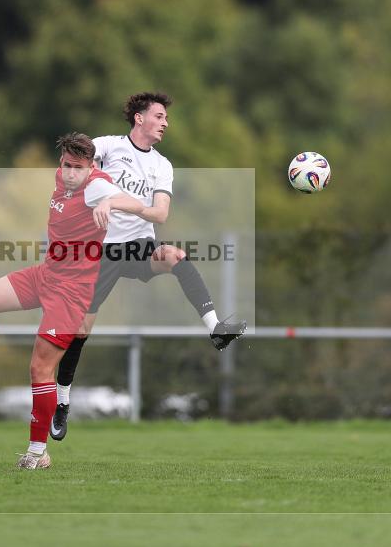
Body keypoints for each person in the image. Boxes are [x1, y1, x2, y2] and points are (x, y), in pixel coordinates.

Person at [0, 132, 157, 470]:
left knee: (40, 368)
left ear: (91, 166)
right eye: (66, 165)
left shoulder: (97, 185)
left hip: (71, 292)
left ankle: (38, 452)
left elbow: (139, 206)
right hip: (46, 275)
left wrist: (110, 203)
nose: (69, 173)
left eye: (78, 168)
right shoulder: (62, 175)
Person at [50, 92, 246, 441]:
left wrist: (118, 202)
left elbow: (160, 213)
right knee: (80, 331)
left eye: (166, 118)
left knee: (176, 257)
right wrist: (89, 193)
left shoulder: (161, 165)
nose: (165, 123)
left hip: (139, 246)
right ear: (139, 118)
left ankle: (216, 328)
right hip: (100, 251)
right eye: (159, 116)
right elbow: (74, 163)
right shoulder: (108, 147)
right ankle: (62, 403)